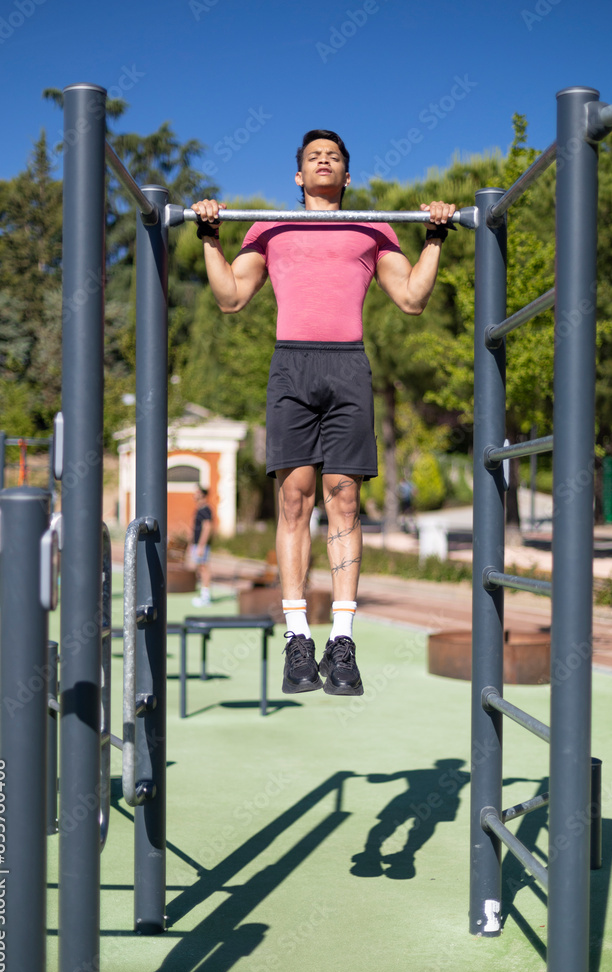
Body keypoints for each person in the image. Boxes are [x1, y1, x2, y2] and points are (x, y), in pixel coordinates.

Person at [191, 129, 455, 697]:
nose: (323, 161)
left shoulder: (372, 226)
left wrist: (434, 236)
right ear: (299, 175)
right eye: (313, 157)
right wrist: (210, 236)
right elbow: (230, 297)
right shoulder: (269, 227)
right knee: (294, 496)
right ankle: (296, 638)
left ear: (347, 175)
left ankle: (341, 639)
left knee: (343, 496)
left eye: (333, 156)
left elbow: (411, 299)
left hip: (347, 366)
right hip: (292, 365)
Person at [190, 484, 213, 606]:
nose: (194, 495)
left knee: (204, 568)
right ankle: (204, 594)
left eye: (197, 492)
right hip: (196, 544)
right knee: (200, 567)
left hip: (201, 545)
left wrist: (201, 545)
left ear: (202, 495)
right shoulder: (199, 509)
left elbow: (207, 527)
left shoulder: (205, 509)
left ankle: (206, 597)